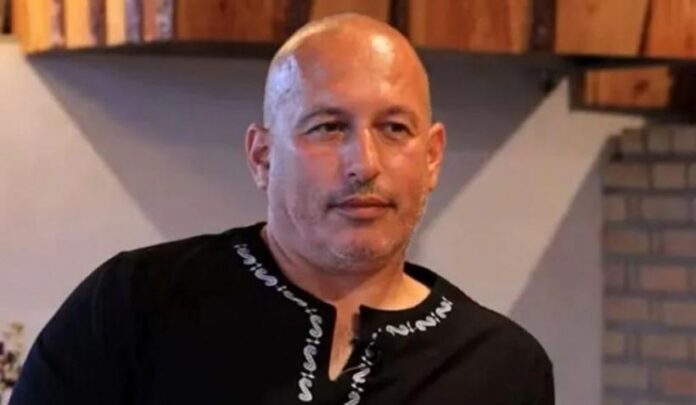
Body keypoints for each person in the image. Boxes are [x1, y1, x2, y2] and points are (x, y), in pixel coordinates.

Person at [10, 13, 554, 405]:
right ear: (262, 156)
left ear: (431, 157)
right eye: (328, 127)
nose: (364, 163)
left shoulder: (501, 368)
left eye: (394, 128)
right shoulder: (133, 307)